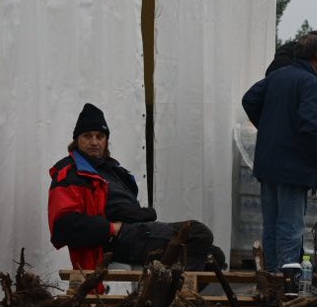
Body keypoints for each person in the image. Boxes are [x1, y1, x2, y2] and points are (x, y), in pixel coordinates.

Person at [47, 103, 219, 291]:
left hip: (135, 232)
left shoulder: (114, 171)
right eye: (87, 136)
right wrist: (111, 228)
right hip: (115, 240)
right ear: (76, 141)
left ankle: (161, 300)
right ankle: (168, 302)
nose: (95, 142)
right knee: (198, 234)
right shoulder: (70, 173)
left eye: (100, 136)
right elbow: (62, 226)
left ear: (106, 140)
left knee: (214, 256)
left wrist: (141, 214)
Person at [241, 32, 317, 276]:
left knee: (271, 224)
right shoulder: (311, 83)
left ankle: (271, 275)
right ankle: (287, 282)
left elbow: (249, 100)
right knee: (290, 226)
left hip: (268, 162)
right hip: (294, 165)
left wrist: (269, 127)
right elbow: (311, 127)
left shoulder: (277, 76)